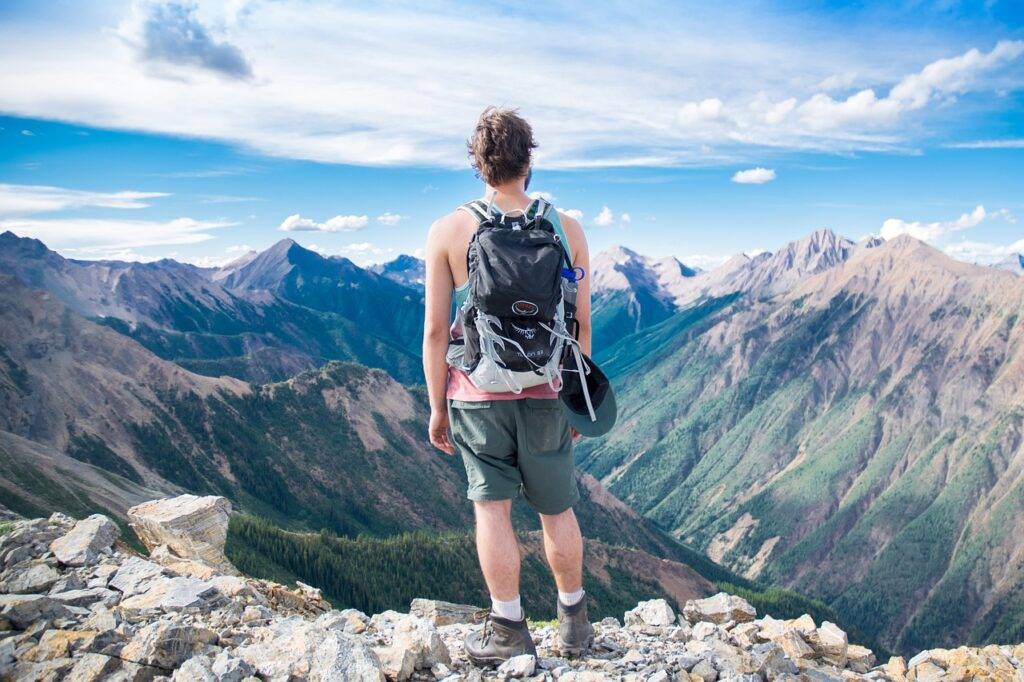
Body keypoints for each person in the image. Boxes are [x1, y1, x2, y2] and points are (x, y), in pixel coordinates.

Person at [422, 106, 593, 664]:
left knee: (491, 511)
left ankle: (508, 629)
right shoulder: (566, 230)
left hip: (475, 395)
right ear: (528, 159)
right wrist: (578, 402)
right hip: (548, 392)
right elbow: (579, 325)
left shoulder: (448, 230)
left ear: (478, 164)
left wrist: (437, 409)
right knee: (557, 509)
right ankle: (574, 626)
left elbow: (432, 332)